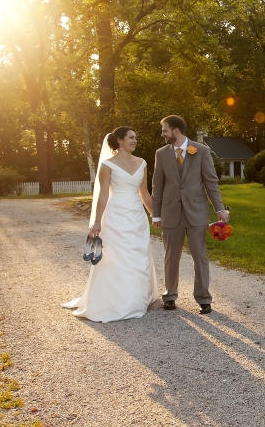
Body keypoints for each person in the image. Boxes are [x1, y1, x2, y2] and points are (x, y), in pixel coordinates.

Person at [63, 127, 158, 322]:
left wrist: (154, 215)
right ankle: (117, 300)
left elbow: (144, 192)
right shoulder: (107, 165)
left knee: (138, 255)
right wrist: (97, 221)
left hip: (136, 216)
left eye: (136, 138)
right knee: (117, 256)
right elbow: (104, 194)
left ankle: (137, 299)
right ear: (120, 141)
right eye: (131, 137)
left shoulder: (142, 163)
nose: (135, 141)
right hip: (115, 215)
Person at [151, 115, 230, 315]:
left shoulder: (201, 151)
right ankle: (170, 296)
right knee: (171, 256)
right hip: (171, 214)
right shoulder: (161, 154)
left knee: (200, 256)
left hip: (196, 213)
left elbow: (211, 183)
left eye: (165, 130)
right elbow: (157, 186)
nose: (163, 134)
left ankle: (204, 298)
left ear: (176, 130)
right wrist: (156, 214)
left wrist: (219, 208)